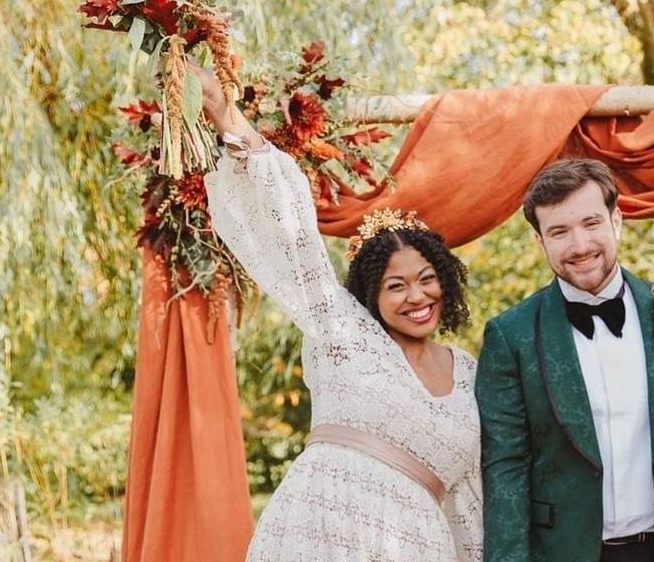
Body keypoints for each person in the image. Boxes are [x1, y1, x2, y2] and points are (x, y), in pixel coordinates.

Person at [195, 65, 483, 562]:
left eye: (427, 279)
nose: (416, 296)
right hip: (318, 530)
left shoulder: (471, 373)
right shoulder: (342, 331)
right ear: (371, 295)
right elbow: (294, 242)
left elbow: (471, 494)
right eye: (396, 285)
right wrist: (227, 118)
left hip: (415, 546)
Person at [475, 159, 654, 562]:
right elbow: (505, 469)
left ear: (616, 220)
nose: (580, 245)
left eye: (591, 223)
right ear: (540, 242)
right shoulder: (510, 336)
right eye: (559, 232)